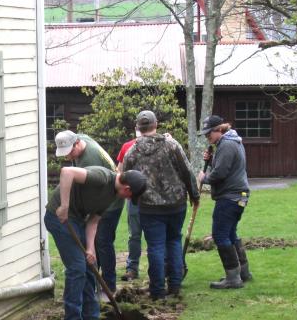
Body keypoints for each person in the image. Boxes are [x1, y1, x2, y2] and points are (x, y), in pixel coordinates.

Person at [43, 165, 147, 320]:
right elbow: (67, 172)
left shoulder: (113, 196)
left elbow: (93, 221)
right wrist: (65, 205)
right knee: (76, 268)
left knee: (90, 266)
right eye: (131, 196)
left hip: (77, 221)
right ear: (127, 188)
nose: (129, 199)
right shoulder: (101, 177)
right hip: (58, 217)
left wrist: (91, 249)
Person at [121, 110, 199, 300]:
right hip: (176, 203)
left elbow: (126, 180)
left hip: (149, 207)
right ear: (156, 125)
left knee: (155, 246)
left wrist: (135, 199)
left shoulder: (132, 152)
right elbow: (187, 171)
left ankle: (157, 290)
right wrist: (194, 195)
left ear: (138, 128)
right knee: (173, 241)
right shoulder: (172, 146)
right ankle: (175, 285)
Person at [54, 130, 121, 295]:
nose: (68, 157)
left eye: (70, 152)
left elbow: (84, 192)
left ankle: (108, 287)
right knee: (94, 245)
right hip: (102, 195)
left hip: (109, 201)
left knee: (102, 243)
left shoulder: (89, 160)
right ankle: (92, 284)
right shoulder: (81, 139)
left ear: (77, 143)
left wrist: (66, 206)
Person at [197, 115, 252, 289]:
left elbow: (220, 173)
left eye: (209, 134)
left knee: (220, 235)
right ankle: (243, 273)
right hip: (238, 195)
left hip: (230, 197)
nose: (208, 137)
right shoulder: (232, 141)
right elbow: (224, 167)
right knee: (230, 234)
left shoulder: (227, 145)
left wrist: (204, 178)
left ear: (219, 129)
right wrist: (211, 160)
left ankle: (233, 278)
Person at [116, 130, 143, 281]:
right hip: (133, 197)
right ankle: (132, 268)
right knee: (134, 234)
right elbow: (120, 171)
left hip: (152, 200)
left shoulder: (162, 144)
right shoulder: (127, 146)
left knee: (151, 236)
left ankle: (157, 270)